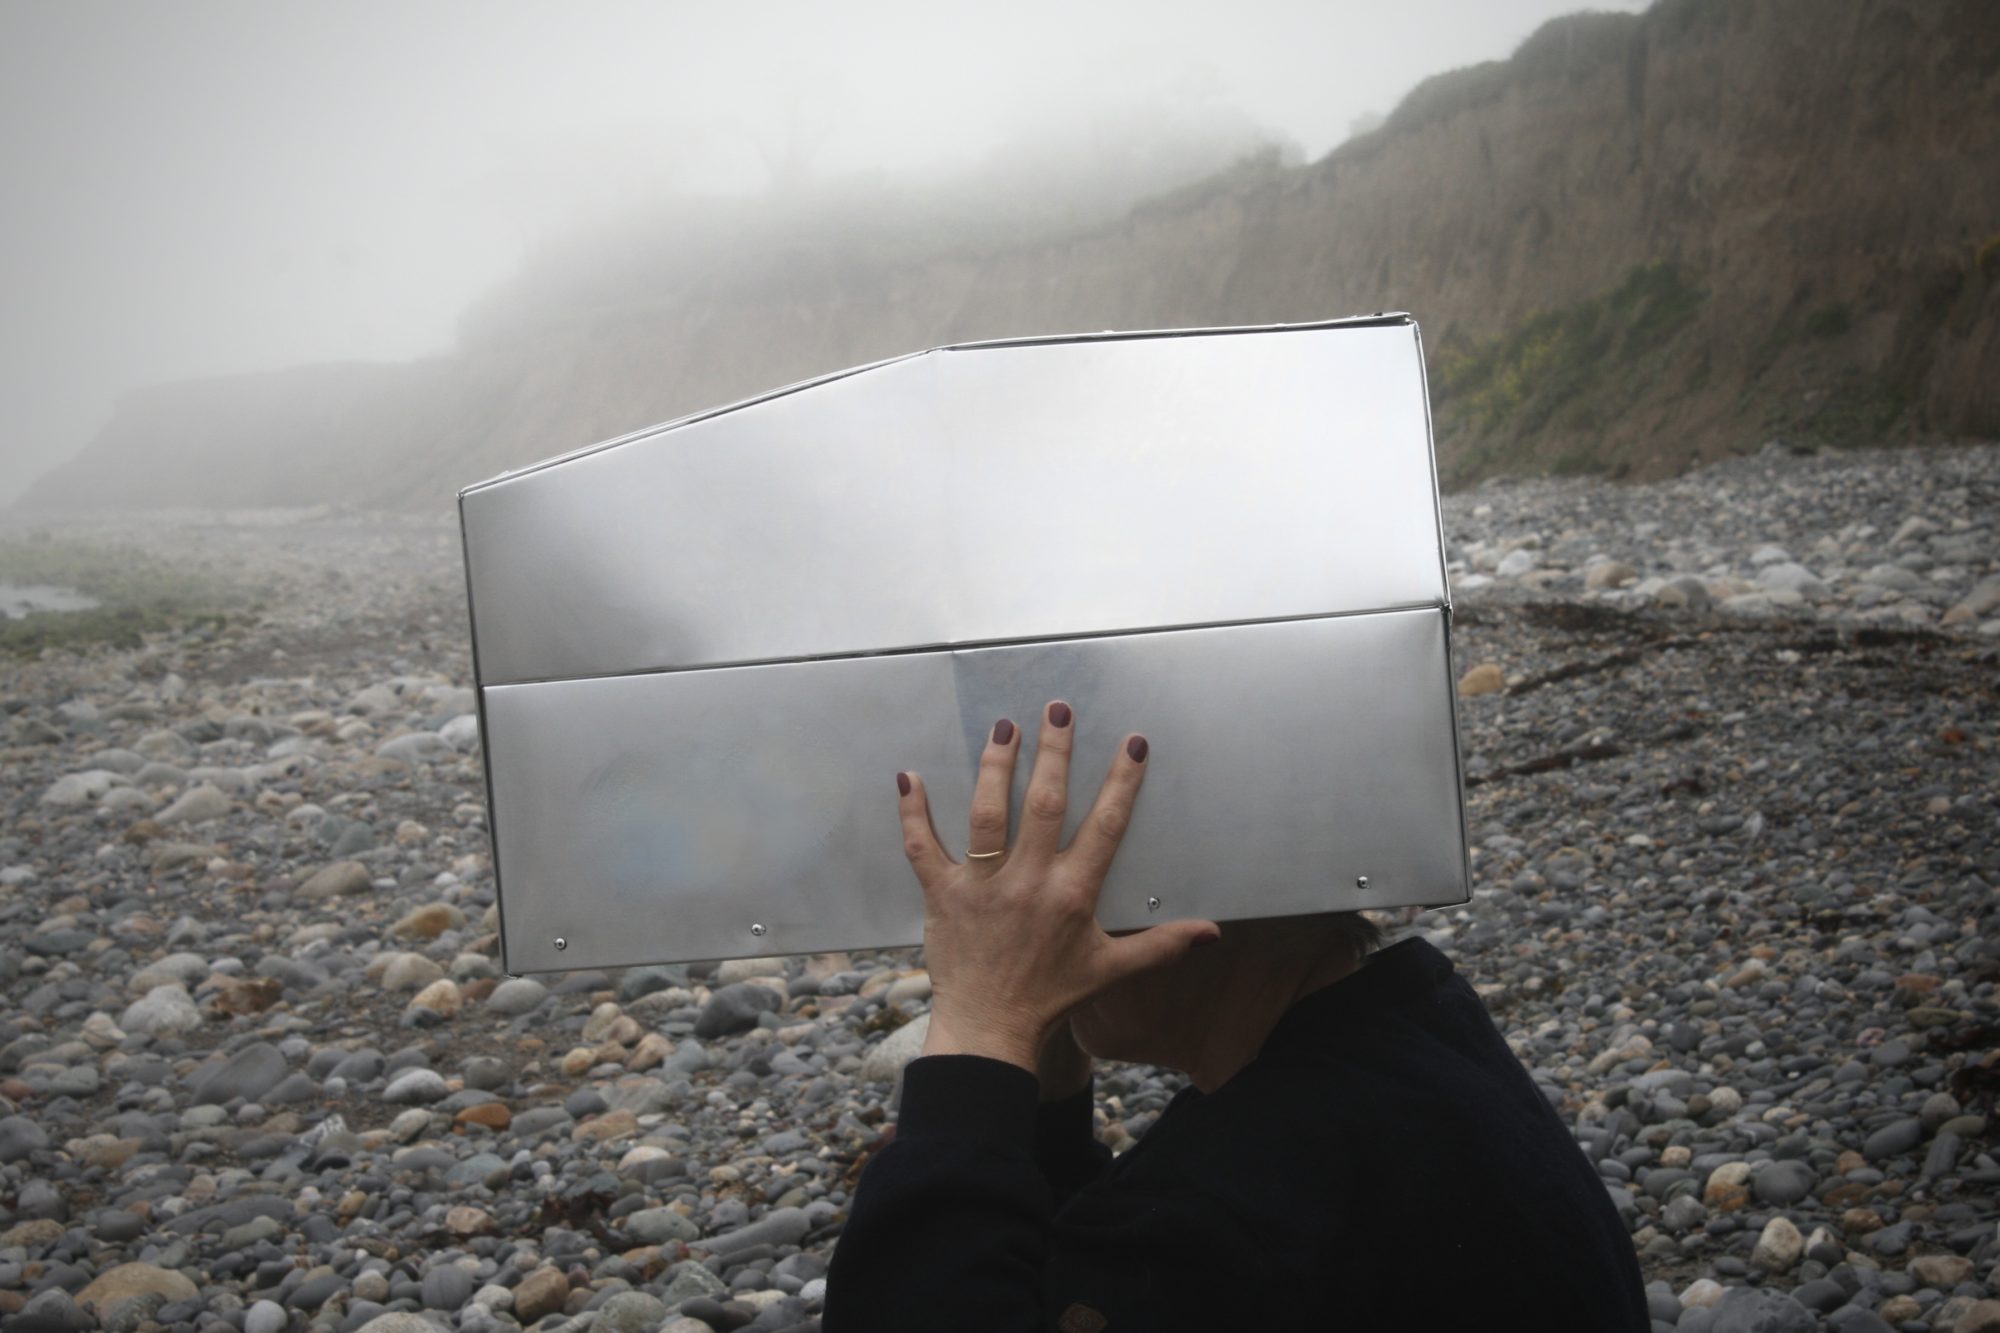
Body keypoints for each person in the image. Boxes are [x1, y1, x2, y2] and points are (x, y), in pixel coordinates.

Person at [823, 701, 1649, 1331]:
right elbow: (1077, 1268)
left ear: (1184, 887)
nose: (1047, 913)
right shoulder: (1407, 1041)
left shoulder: (1246, 1202)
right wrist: (1040, 1046)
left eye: (1073, 877)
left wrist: (980, 1031)